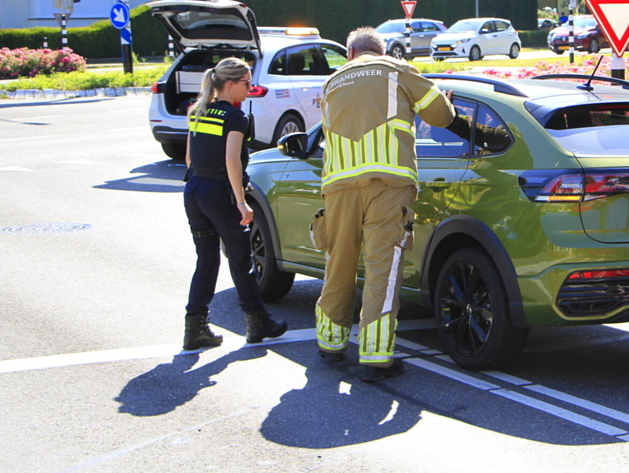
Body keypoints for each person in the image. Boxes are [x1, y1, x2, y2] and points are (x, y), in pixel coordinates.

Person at [314, 27, 456, 382]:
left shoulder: (331, 82)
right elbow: (442, 117)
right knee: (382, 268)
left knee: (339, 264)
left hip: (338, 186)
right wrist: (444, 101)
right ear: (380, 51)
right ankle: (376, 356)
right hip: (388, 182)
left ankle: (330, 344)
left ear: (350, 54)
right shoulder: (396, 70)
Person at [182, 57, 288, 351]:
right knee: (242, 260)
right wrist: (241, 201)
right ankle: (258, 323)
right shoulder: (234, 117)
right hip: (220, 194)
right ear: (230, 84)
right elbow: (231, 160)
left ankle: (195, 328)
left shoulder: (199, 111)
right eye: (246, 83)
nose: (250, 88)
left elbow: (190, 159)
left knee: (206, 260)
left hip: (194, 190)